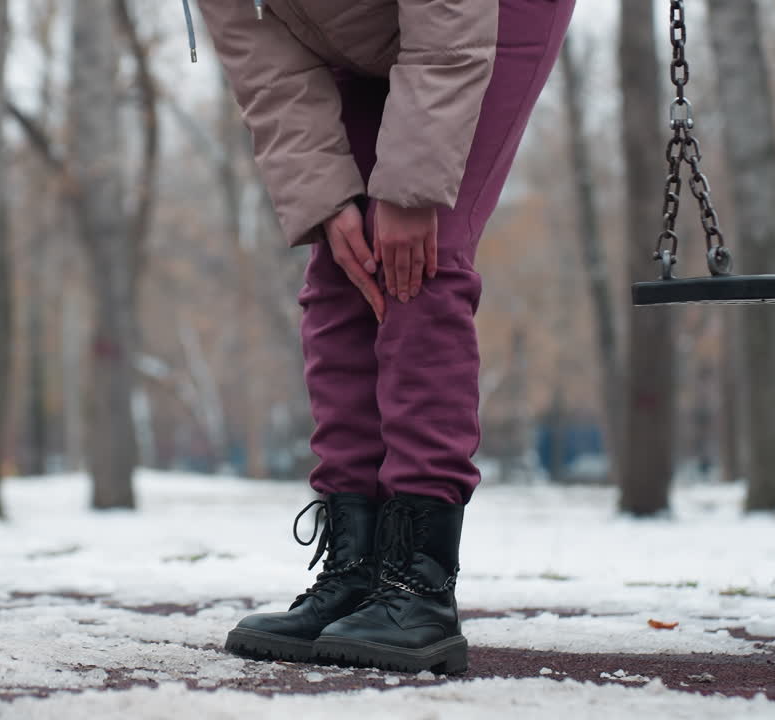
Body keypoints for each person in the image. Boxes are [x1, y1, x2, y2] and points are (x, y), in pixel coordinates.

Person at [189, 0, 575, 673]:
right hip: (358, 27)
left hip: (479, 13)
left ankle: (419, 588)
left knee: (419, 264)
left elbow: (450, 15)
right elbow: (264, 62)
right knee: (344, 268)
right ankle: (357, 571)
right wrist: (327, 199)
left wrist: (412, 184)